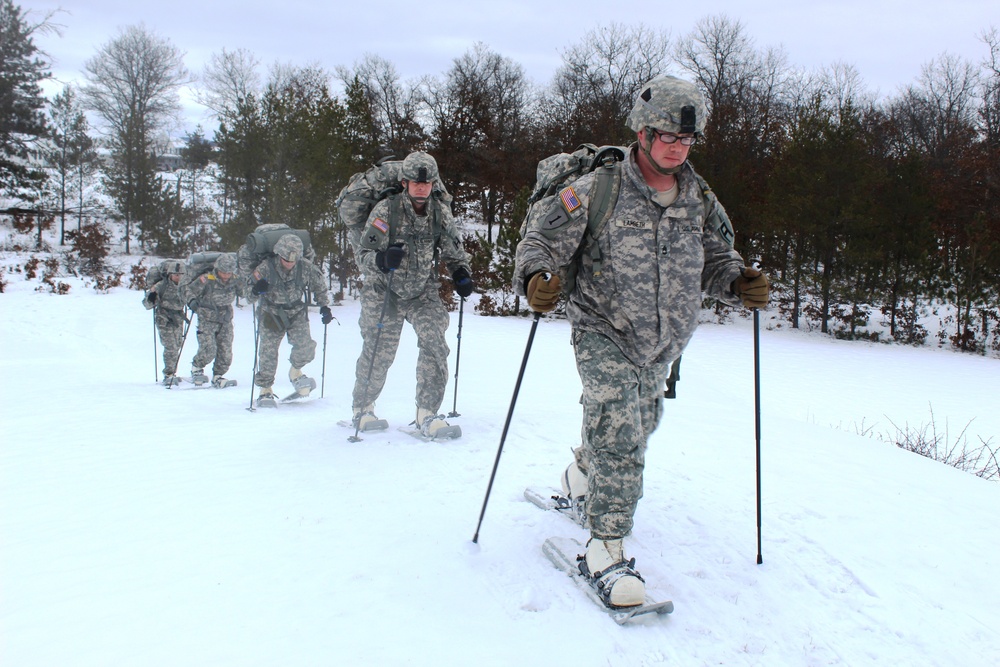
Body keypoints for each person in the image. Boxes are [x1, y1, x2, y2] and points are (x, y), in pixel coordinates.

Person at [513, 75, 770, 608]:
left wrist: (739, 280)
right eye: (666, 135)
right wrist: (537, 278)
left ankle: (582, 474)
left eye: (685, 139)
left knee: (640, 422)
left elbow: (719, 257)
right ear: (642, 130)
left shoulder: (699, 197)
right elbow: (540, 240)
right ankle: (606, 548)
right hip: (603, 328)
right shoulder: (597, 189)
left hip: (664, 341)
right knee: (622, 433)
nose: (676, 146)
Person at [351, 151, 474, 436]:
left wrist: (461, 274)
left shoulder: (440, 213)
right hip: (385, 291)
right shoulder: (386, 211)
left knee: (434, 344)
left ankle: (427, 413)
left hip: (421, 291)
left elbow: (455, 252)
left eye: (427, 182)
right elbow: (364, 254)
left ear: (433, 184)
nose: (421, 187)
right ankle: (363, 408)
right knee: (378, 350)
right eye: (415, 183)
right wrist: (381, 260)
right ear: (405, 182)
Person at [247, 233, 332, 408]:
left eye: (293, 259)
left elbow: (319, 285)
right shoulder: (265, 268)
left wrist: (324, 306)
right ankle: (265, 389)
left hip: (296, 312)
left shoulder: (305, 267)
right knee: (268, 353)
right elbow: (247, 294)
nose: (290, 263)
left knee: (306, 347)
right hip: (271, 313)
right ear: (279, 254)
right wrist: (255, 290)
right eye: (286, 259)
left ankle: (295, 372)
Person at [185, 252, 245, 388]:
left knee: (226, 351)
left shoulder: (235, 280)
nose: (226, 276)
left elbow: (245, 292)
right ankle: (197, 368)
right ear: (217, 269)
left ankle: (218, 375)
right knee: (209, 349)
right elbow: (189, 290)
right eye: (223, 272)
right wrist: (192, 301)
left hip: (225, 319)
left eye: (229, 272)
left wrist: (257, 288)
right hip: (207, 318)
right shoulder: (207, 279)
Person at [143, 259, 189, 386]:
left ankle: (172, 372)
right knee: (170, 346)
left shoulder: (185, 286)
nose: (178, 277)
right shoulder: (161, 285)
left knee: (178, 344)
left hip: (178, 318)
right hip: (164, 318)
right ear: (170, 275)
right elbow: (146, 304)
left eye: (181, 275)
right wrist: (151, 297)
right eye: (175, 275)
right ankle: (169, 373)